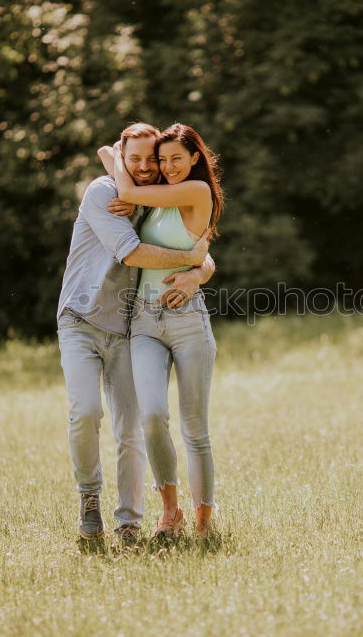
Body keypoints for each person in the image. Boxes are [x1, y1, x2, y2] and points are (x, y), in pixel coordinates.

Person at [57, 122, 216, 544]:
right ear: (124, 159)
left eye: (156, 159)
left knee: (133, 426)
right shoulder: (105, 193)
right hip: (82, 319)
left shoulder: (153, 195)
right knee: (88, 412)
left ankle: (130, 522)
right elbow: (133, 251)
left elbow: (200, 242)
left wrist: (199, 271)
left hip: (128, 325)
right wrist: (190, 259)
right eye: (137, 159)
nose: (148, 167)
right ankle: (89, 499)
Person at [97, 123, 224, 539]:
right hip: (145, 322)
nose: (166, 167)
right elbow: (106, 153)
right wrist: (120, 155)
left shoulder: (196, 192)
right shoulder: (154, 198)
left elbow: (127, 188)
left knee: (194, 429)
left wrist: (197, 274)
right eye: (159, 159)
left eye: (175, 159)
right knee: (151, 416)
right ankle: (170, 511)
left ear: (194, 159)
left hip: (187, 321)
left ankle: (204, 519)